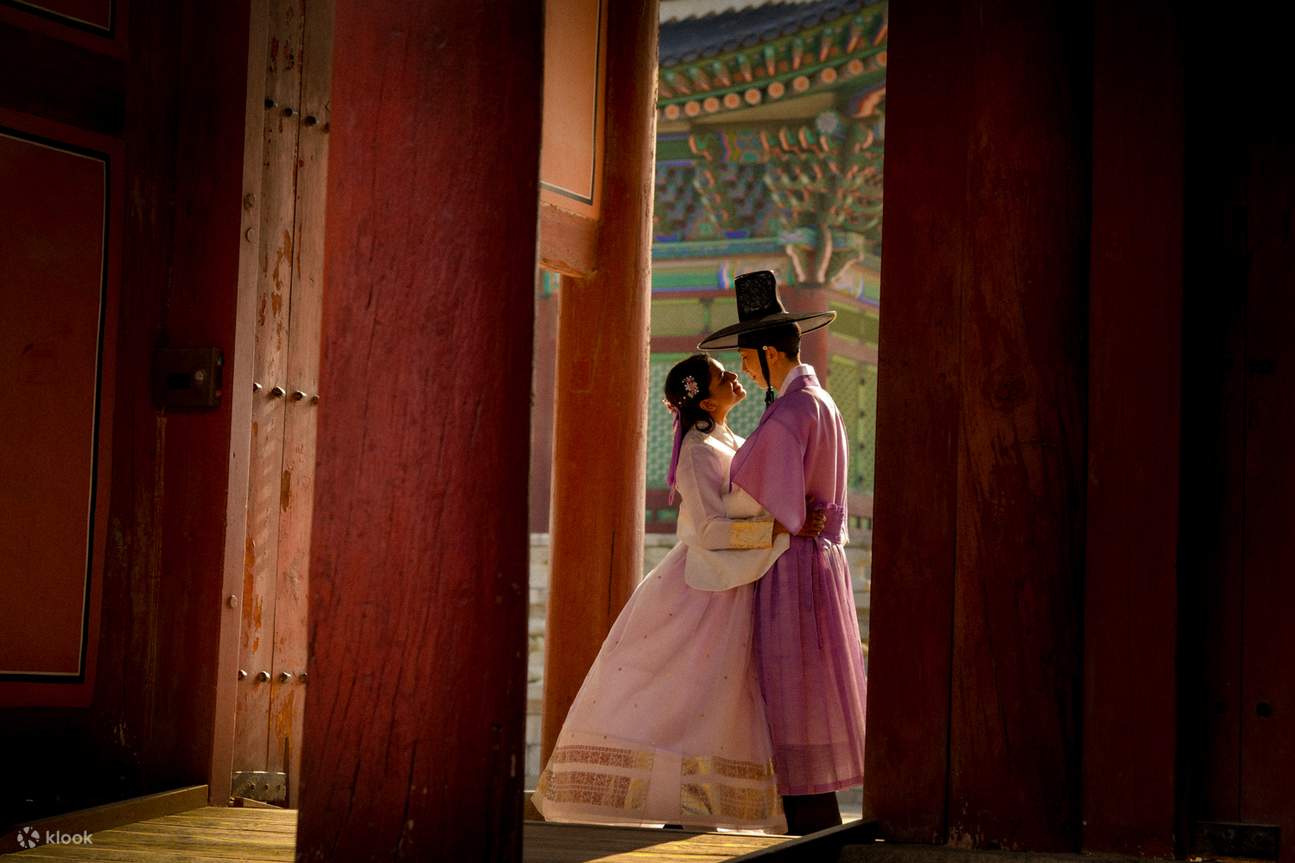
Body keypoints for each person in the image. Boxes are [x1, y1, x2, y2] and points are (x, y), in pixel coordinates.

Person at [533, 353, 823, 833]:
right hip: (702, 590)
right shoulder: (696, 449)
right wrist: (778, 528)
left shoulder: (725, 439)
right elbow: (709, 528)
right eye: (721, 374)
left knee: (720, 698)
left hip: (733, 582)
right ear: (707, 400)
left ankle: (696, 810)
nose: (733, 375)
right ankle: (679, 809)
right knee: (685, 695)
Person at [698, 270, 868, 835]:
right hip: (822, 561)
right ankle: (812, 814)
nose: (744, 369)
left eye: (746, 358)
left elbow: (753, 493)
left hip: (790, 565)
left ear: (769, 352)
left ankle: (805, 818)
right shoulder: (825, 405)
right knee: (810, 684)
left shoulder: (791, 413)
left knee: (788, 686)